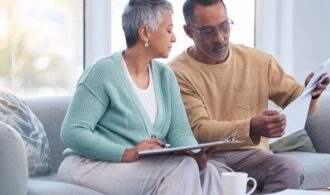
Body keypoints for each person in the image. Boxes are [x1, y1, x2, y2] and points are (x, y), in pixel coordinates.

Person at [57, 0, 222, 195]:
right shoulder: (103, 72)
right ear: (145, 33)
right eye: (169, 30)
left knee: (208, 171)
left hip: (135, 166)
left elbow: (180, 134)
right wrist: (125, 153)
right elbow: (72, 131)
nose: (174, 38)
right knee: (181, 169)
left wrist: (196, 154)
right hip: (88, 165)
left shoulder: (165, 76)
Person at [169, 0, 330, 194]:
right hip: (208, 157)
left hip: (253, 155)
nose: (220, 37)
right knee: (215, 177)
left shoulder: (258, 61)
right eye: (209, 31)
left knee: (290, 168)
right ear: (189, 32)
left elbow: (299, 103)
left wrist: (311, 93)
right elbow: (200, 130)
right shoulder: (176, 73)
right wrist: (251, 126)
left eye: (224, 26)